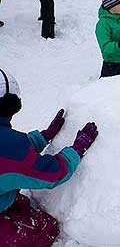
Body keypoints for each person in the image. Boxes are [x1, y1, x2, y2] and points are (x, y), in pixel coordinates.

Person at [0, 68, 98, 246]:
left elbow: (11, 157)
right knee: (45, 230)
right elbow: (51, 173)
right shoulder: (10, 147)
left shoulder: (9, 145)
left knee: (18, 203)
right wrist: (76, 149)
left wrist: (43, 136)